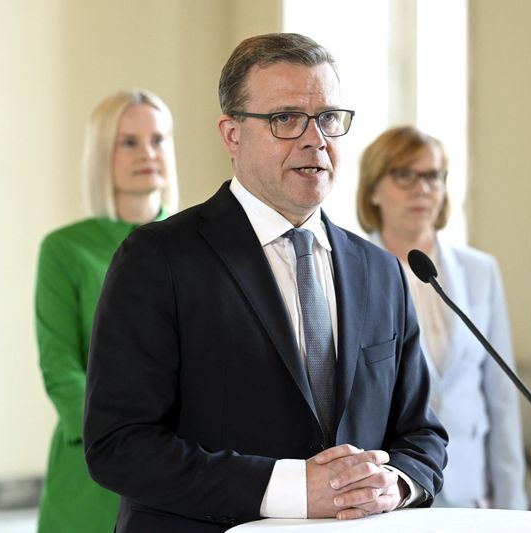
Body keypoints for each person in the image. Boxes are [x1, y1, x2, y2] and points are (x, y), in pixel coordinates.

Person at [83, 33, 448, 533]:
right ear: (232, 135)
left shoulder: (381, 270)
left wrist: (397, 482)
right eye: (285, 119)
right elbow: (119, 445)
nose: (314, 139)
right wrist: (294, 489)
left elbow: (422, 434)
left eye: (328, 119)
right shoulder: (158, 258)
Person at [356, 125, 527, 510]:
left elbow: (501, 397)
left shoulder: (480, 271)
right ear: (372, 190)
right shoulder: (352, 274)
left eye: (433, 175)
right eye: (404, 174)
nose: (422, 188)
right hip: (394, 491)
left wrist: (513, 502)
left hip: (472, 488)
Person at [34, 89, 179, 532]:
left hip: (183, 465)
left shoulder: (196, 244)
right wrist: (129, 440)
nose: (147, 153)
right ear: (102, 153)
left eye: (158, 139)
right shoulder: (64, 250)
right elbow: (61, 369)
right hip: (94, 468)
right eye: (128, 141)